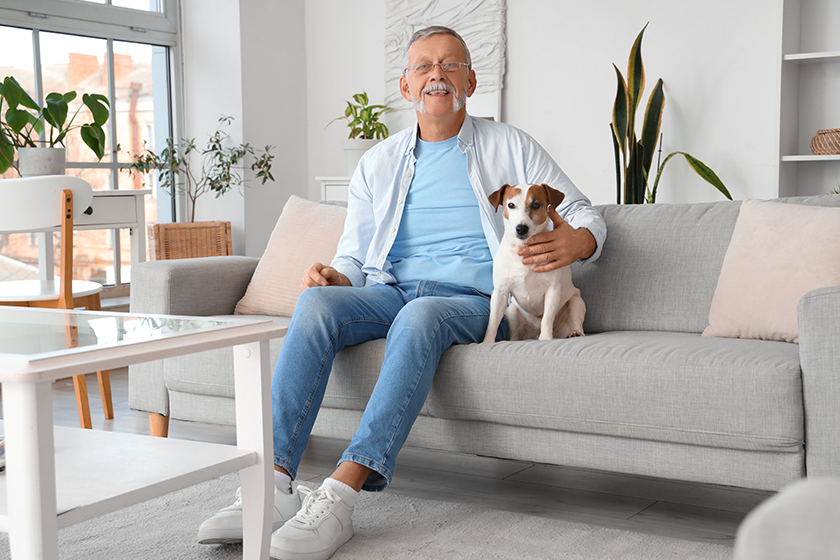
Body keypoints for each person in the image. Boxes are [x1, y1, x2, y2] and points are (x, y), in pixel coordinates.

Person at [198, 25, 606, 560]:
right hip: (392, 289)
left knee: (420, 316)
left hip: (473, 301)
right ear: (406, 86)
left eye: (451, 64)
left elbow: (585, 213)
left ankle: (341, 494)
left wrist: (578, 241)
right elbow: (354, 252)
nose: (437, 73)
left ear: (470, 80)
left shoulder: (512, 146)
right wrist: (337, 277)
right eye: (423, 66)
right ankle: (272, 487)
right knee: (317, 304)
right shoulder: (377, 163)